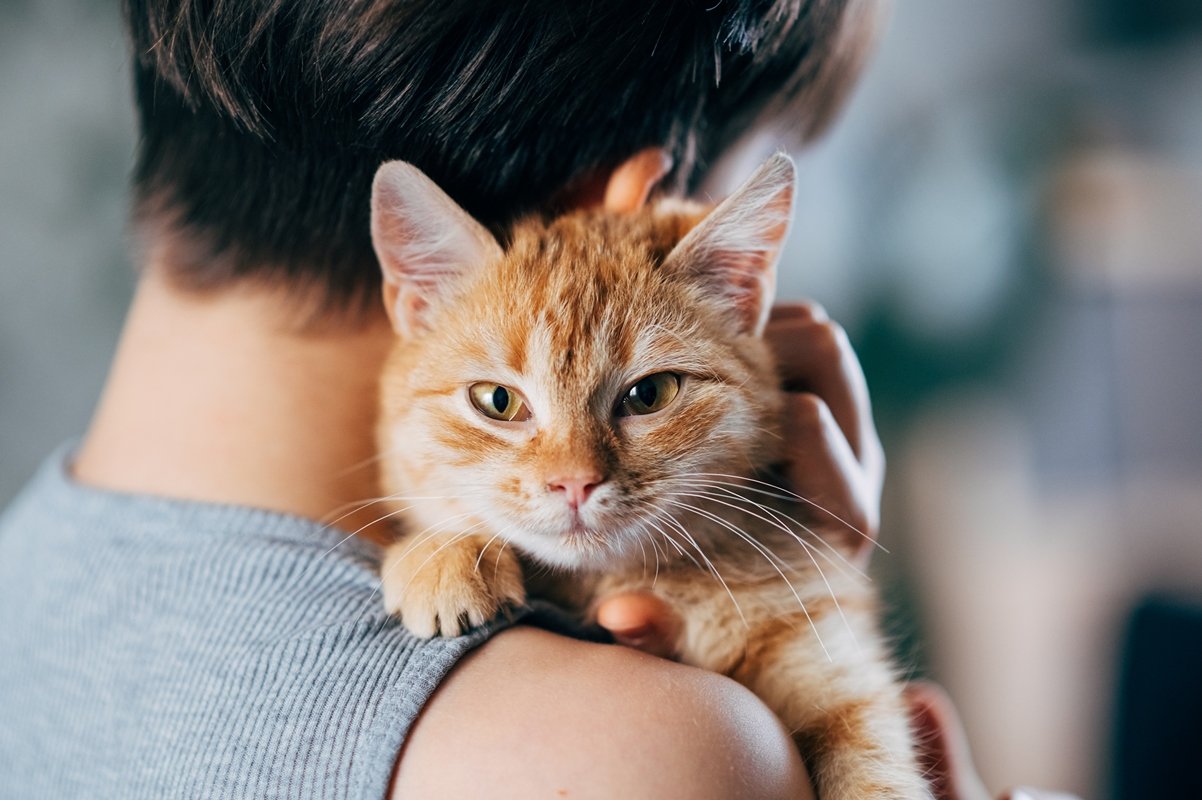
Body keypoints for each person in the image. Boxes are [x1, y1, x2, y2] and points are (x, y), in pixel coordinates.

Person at [0, 1, 1070, 798]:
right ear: (630, 201)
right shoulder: (651, 755)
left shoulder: (28, 565)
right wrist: (814, 645)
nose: (572, 473)